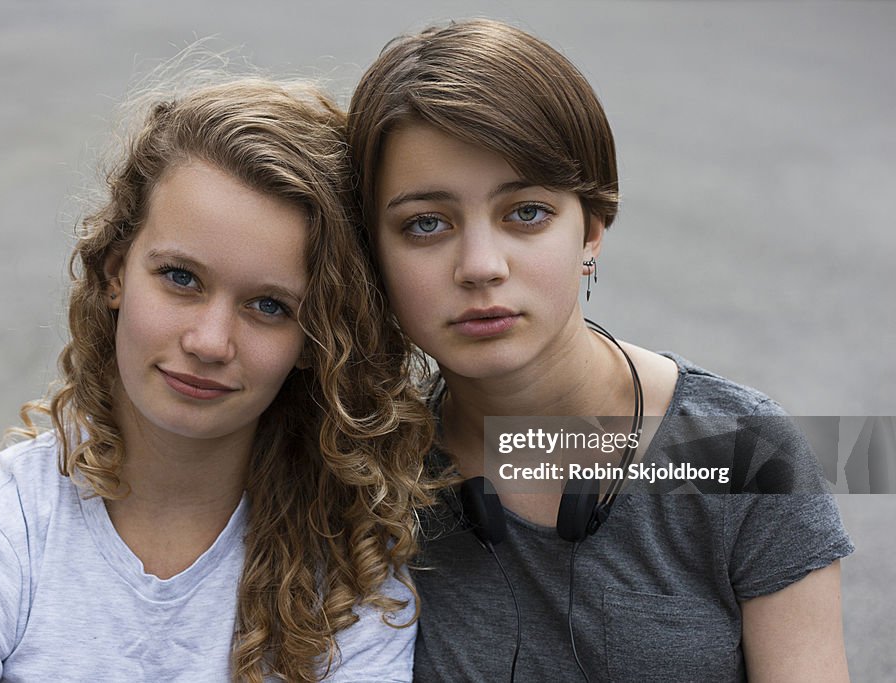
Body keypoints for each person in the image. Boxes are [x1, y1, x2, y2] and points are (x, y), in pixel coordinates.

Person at [0, 75, 433, 682]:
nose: (209, 342)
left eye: (270, 306)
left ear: (313, 339)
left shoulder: (355, 580)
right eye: (181, 278)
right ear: (115, 272)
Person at [346, 18, 853, 682]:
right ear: (372, 254)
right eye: (425, 224)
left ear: (592, 228)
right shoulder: (366, 472)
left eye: (525, 212)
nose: (479, 265)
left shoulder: (745, 452)